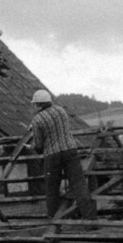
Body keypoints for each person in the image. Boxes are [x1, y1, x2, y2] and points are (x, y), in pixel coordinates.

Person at [28, 90, 96, 222]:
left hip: (52, 155)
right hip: (70, 150)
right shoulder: (60, 111)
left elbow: (38, 145)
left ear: (38, 105)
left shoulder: (37, 120)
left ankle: (54, 221)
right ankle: (91, 219)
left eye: (35, 104)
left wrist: (33, 144)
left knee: (52, 188)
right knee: (79, 185)